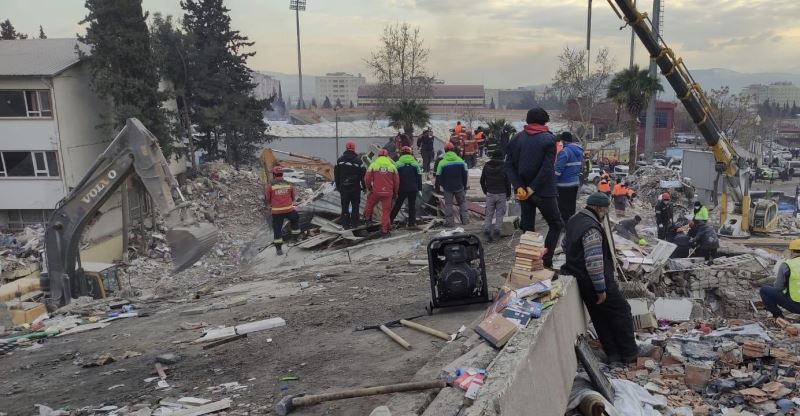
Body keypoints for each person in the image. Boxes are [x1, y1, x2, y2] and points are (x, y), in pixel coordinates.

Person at [561, 192, 640, 364]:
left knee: (600, 317)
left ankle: (613, 355)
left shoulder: (575, 220)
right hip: (596, 281)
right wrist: (601, 289)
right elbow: (594, 262)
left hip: (580, 278)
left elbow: (565, 245)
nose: (605, 213)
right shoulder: (591, 228)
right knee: (622, 311)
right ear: (598, 208)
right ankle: (629, 353)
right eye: (605, 210)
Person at [505, 107, 563, 268]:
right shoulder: (549, 139)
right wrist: (533, 188)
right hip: (543, 191)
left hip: (523, 193)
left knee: (528, 228)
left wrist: (519, 187)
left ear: (528, 120)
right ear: (545, 121)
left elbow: (509, 166)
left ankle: (529, 261)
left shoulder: (516, 139)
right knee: (556, 224)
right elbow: (547, 168)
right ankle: (546, 261)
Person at [760, 239, 800, 322]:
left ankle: (778, 315)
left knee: (765, 290)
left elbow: (778, 287)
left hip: (795, 306)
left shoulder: (787, 264)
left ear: (791, 251)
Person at [265, 166, 300, 255]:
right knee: (295, 219)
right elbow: (293, 196)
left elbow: (267, 198)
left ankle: (279, 249)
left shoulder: (270, 185)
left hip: (277, 212)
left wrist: (271, 204)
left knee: (277, 229)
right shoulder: (288, 184)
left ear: (274, 174)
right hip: (289, 209)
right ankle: (295, 238)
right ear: (282, 174)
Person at [364, 149, 399, 237]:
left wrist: (369, 188)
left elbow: (367, 179)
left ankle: (368, 220)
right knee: (386, 212)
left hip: (376, 192)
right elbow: (397, 182)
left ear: (378, 156)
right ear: (387, 156)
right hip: (388, 193)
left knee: (369, 204)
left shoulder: (373, 165)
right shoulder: (392, 167)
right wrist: (395, 193)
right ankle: (384, 231)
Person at [480, 150, 511, 242]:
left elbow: (482, 181)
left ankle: (487, 231)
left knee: (489, 214)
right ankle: (497, 232)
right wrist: (508, 194)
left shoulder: (486, 166)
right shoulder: (505, 166)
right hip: (501, 193)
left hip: (490, 193)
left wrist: (486, 191)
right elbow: (507, 181)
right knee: (499, 214)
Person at [334, 141, 366, 229]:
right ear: (354, 149)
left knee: (345, 206)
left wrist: (338, 186)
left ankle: (345, 225)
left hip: (343, 189)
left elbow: (336, 174)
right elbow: (363, 176)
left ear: (346, 148)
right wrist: (364, 187)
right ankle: (355, 224)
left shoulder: (339, 161)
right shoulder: (359, 162)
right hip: (355, 189)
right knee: (355, 206)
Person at [436, 142, 469, 227]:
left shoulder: (441, 162)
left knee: (448, 205)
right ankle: (465, 221)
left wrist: (438, 188)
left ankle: (450, 223)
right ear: (453, 150)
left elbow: (438, 177)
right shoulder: (460, 161)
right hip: (459, 186)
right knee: (462, 203)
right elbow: (465, 175)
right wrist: (464, 186)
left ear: (445, 150)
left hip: (447, 188)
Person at [555, 131, 584, 225]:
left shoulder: (564, 152)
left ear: (563, 141)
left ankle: (565, 226)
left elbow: (558, 170)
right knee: (571, 207)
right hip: (575, 183)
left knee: (563, 208)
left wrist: (552, 182)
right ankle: (571, 225)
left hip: (564, 185)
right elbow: (581, 167)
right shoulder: (579, 151)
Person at [390, 146, 422, 227]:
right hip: (413, 188)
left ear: (401, 153)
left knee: (398, 204)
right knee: (412, 205)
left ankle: (390, 221)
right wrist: (419, 188)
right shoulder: (415, 163)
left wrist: (394, 189)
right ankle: (411, 223)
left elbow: (394, 178)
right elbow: (419, 176)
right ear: (410, 153)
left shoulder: (397, 164)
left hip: (402, 188)